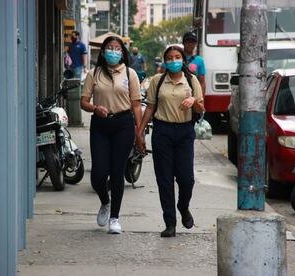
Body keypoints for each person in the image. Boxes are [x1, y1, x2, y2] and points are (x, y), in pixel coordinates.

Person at [136, 45, 205, 237]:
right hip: (162, 131)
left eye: (177, 57)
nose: (173, 60)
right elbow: (149, 108)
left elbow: (201, 109)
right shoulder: (157, 81)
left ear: (183, 60)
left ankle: (183, 206)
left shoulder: (191, 81)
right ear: (165, 61)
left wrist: (193, 101)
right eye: (170, 58)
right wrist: (139, 133)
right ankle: (170, 223)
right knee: (164, 180)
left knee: (186, 179)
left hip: (185, 132)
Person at [80, 36, 143, 234]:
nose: (113, 51)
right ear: (103, 51)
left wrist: (139, 132)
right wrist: (94, 108)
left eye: (117, 48)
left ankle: (114, 217)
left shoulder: (130, 73)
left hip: (123, 124)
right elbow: (83, 101)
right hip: (100, 125)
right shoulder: (94, 73)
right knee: (98, 174)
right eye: (110, 48)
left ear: (123, 52)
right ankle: (105, 202)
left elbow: (136, 104)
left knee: (117, 173)